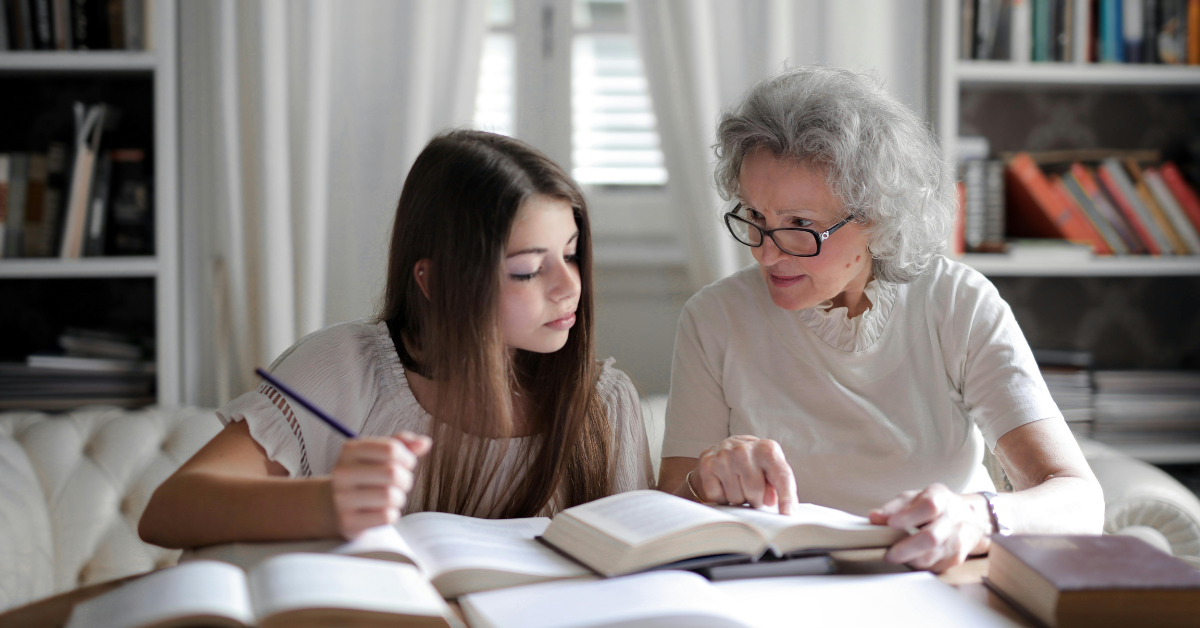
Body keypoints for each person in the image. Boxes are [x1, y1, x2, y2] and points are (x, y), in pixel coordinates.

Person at [657, 66, 1104, 572]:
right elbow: (665, 511)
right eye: (756, 218)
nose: (765, 254)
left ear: (875, 218)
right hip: (780, 591)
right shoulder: (714, 318)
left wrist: (976, 517)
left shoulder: (956, 304)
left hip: (940, 583)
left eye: (800, 226)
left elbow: (1078, 499)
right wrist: (705, 481)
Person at [140, 130, 653, 549]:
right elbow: (169, 511)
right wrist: (326, 502)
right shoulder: (345, 369)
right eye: (526, 270)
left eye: (570, 252)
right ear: (435, 282)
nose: (569, 286)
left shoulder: (604, 404)